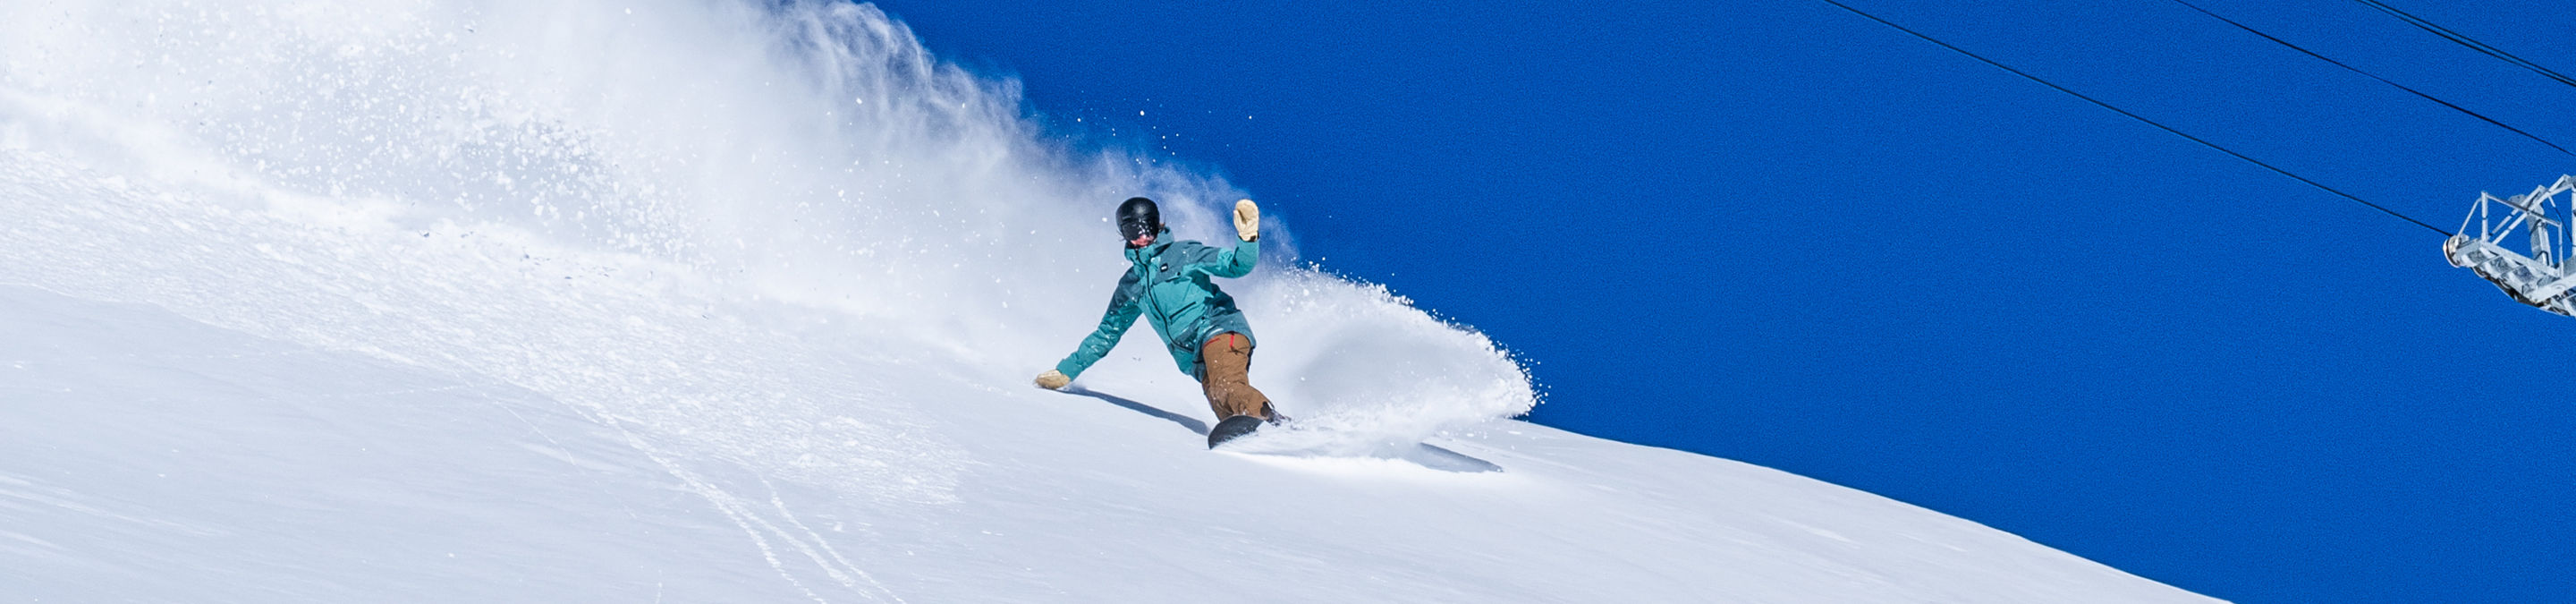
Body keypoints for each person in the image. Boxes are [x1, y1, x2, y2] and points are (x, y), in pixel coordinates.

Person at [1035, 196, 1282, 432]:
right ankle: (1274, 441)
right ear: (1124, 235)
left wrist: (1248, 239)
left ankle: (1271, 425)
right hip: (1196, 361)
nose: (1143, 236)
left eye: (1148, 226)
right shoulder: (1132, 285)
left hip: (1218, 330)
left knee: (1227, 388)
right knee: (1224, 406)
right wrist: (1066, 370)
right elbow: (1107, 333)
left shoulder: (1183, 253)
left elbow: (1236, 265)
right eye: (1134, 230)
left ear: (1157, 224)